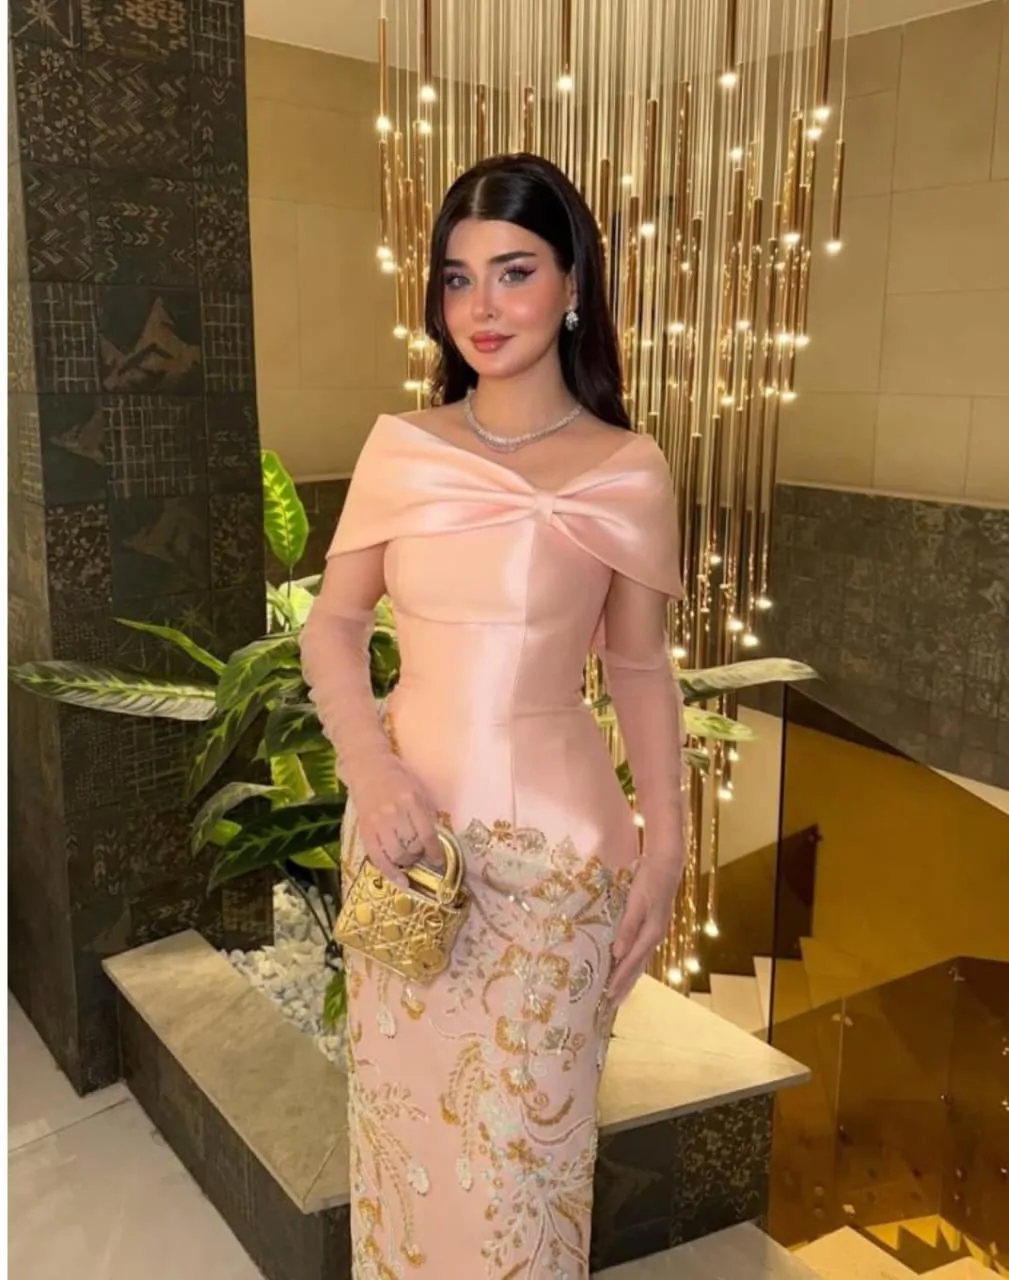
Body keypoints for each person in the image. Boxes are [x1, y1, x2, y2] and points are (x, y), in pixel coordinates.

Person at [300, 152, 686, 1279]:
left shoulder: (627, 470)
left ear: (573, 284)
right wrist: (372, 769)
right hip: (404, 850)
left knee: (522, 1183)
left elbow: (640, 669)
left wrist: (668, 845)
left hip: (559, 870)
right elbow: (333, 626)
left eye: (513, 272)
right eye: (457, 277)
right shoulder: (403, 448)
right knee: (405, 1158)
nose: (482, 305)